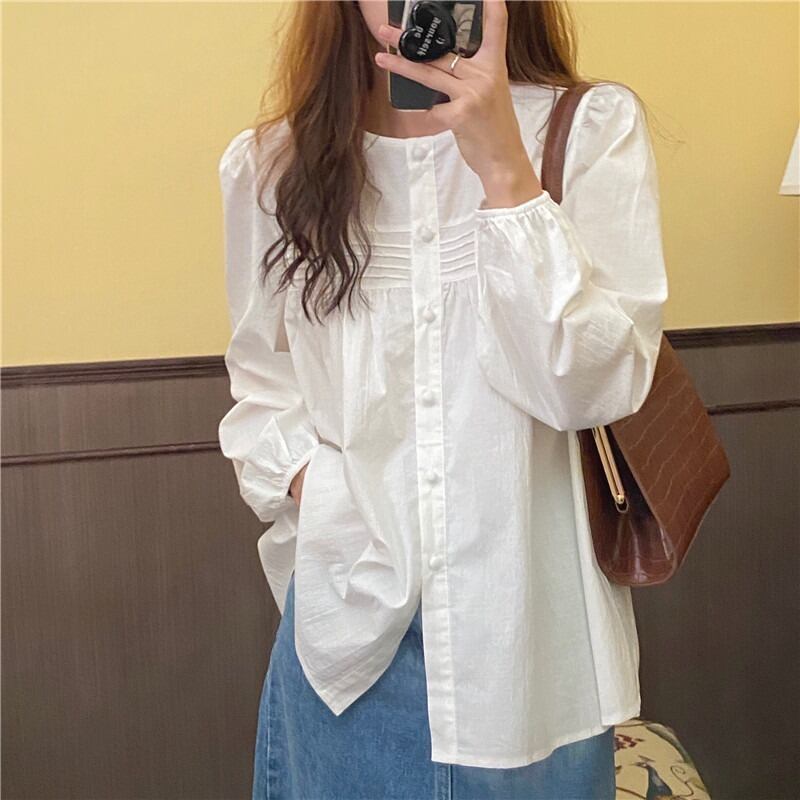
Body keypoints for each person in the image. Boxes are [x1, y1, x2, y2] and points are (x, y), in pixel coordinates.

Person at [217, 0, 669, 797]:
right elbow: (262, 388)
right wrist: (331, 500)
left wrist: (505, 173)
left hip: (532, 654)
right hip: (350, 642)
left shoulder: (590, 131)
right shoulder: (272, 166)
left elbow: (595, 389)